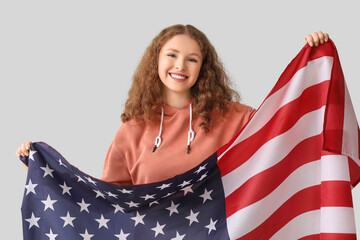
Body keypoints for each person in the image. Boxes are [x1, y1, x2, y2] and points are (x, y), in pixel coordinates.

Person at [15, 24, 330, 186]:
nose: (181, 65)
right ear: (156, 61)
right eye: (172, 55)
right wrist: (45, 170)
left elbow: (287, 132)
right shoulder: (131, 131)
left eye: (192, 59)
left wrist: (312, 58)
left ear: (202, 67)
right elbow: (107, 199)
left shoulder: (235, 118)